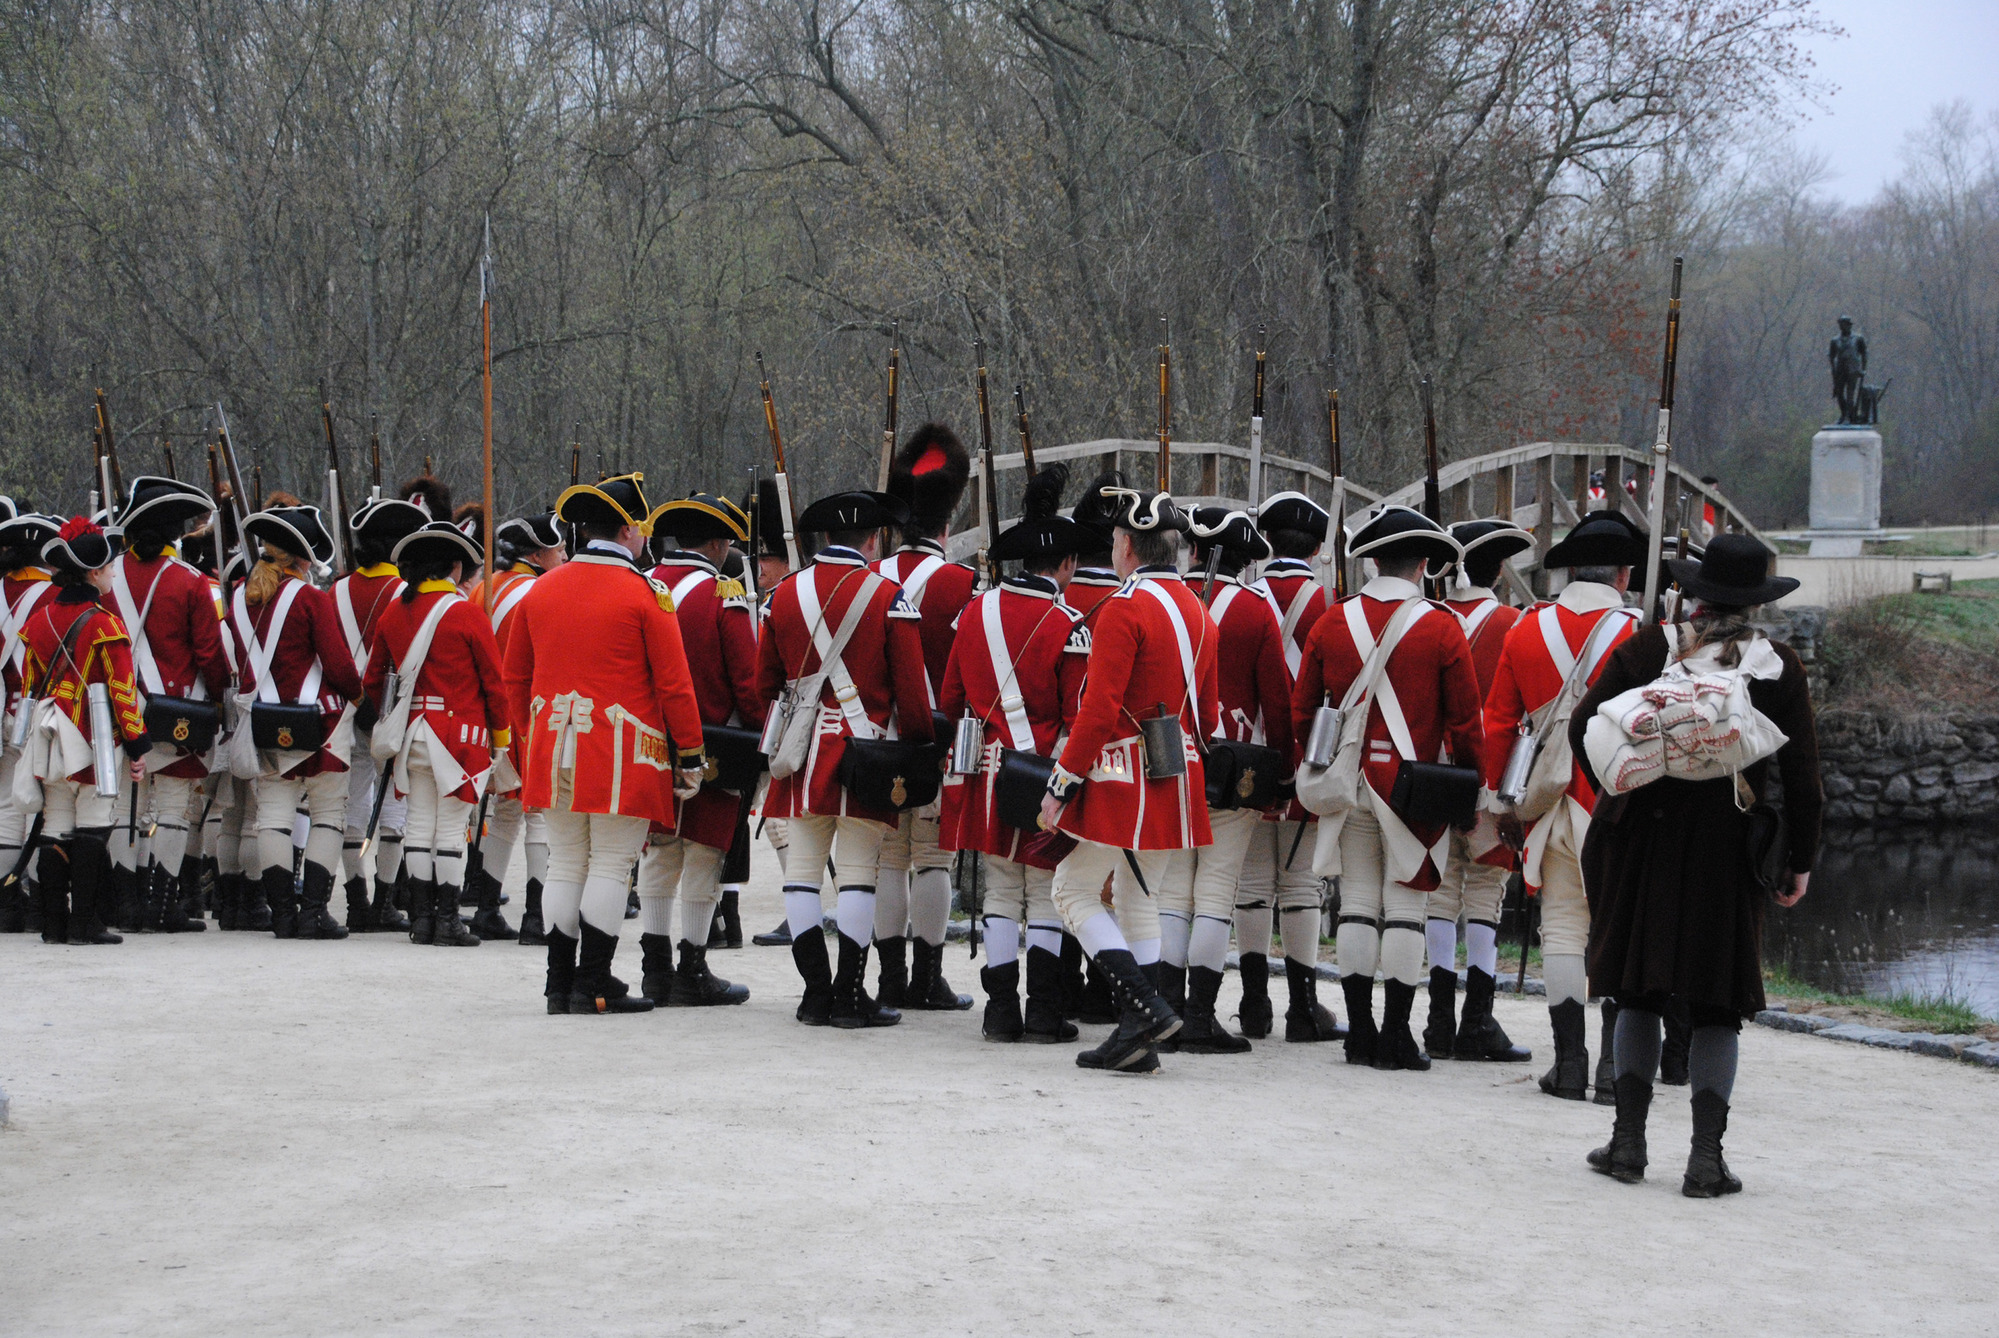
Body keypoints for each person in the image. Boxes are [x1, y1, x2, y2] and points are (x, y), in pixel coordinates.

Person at [1573, 534, 1821, 1196]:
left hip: (1642, 842)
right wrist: (1798, 860)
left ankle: (1627, 1146)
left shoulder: (1649, 648)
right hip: (1726, 846)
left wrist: (1628, 779)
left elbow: (1582, 729)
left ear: (1698, 589)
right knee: (1717, 1004)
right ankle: (1705, 1161)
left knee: (1637, 990)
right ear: (1753, 602)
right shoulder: (1777, 666)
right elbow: (1801, 780)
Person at [503, 473, 707, 1015]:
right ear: (627, 531)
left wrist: (531, 737)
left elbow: (515, 678)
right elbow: (674, 685)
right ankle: (593, 981)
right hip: (620, 748)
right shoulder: (646, 593)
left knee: (567, 861)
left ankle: (557, 985)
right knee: (613, 864)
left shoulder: (540, 589)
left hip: (551, 740)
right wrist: (689, 753)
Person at [1291, 505, 1483, 1072]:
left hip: (1350, 782)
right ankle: (1397, 1037)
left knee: (1355, 905)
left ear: (1372, 560)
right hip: (1415, 789)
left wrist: (1322, 761)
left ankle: (1360, 1034)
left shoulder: (1333, 621)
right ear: (1424, 563)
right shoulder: (1443, 625)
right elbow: (1466, 723)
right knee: (1406, 910)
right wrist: (1469, 791)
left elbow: (1305, 711)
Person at [1036, 486, 1216, 1074]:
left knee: (1071, 889)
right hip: (1178, 767)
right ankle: (1138, 1037)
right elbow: (1207, 716)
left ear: (1128, 549)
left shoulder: (1125, 608)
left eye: (1115, 541)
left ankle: (1142, 1010)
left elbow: (1100, 711)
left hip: (1123, 773)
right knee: (1143, 899)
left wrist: (1061, 784)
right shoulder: (1198, 611)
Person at [756, 489, 935, 1028]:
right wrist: (922, 741)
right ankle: (849, 995)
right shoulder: (888, 595)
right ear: (874, 539)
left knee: (804, 874)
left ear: (824, 538)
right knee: (859, 874)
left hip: (802, 751)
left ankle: (814, 994)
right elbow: (911, 692)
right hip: (866, 750)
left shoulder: (783, 595)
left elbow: (765, 682)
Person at [1481, 511, 1643, 1098]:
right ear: (1623, 575)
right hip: (1619, 803)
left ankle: (1570, 1064)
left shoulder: (1526, 630)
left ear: (1571, 570)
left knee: (1564, 931)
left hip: (1548, 804)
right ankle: (1611, 1067)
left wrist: (1503, 803)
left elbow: (1499, 722)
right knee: (1615, 933)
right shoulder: (1642, 634)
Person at [937, 464, 1088, 1043]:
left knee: (1001, 890)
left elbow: (952, 698)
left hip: (987, 771)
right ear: (1067, 565)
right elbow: (1076, 718)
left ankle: (1001, 1012)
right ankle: (1045, 1012)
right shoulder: (1070, 625)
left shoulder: (974, 613)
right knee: (1046, 891)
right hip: (1045, 773)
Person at [1165, 507, 1292, 1054]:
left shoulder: (1164, 598)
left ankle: (1165, 1010)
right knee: (1216, 891)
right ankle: (1197, 1017)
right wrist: (1282, 770)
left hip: (1169, 757)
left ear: (1194, 549)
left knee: (1173, 892)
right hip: (1232, 762)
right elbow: (1277, 700)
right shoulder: (1256, 610)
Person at [632, 492, 761, 1007]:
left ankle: (654, 968)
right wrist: (760, 739)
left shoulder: (643, 585)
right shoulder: (722, 595)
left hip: (649, 743)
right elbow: (748, 687)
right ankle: (692, 966)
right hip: (713, 744)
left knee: (660, 852)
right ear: (715, 543)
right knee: (704, 852)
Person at [362, 522, 510, 947]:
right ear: (454, 567)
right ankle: (447, 920)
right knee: (450, 829)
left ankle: (422, 919)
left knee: (418, 824)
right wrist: (500, 738)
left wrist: (395, 715)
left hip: (411, 733)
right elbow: (493, 684)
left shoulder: (395, 611)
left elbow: (374, 678)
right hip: (459, 736)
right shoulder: (464, 612)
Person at [873, 425, 978, 1011]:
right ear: (947, 522)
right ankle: (926, 978)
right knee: (933, 858)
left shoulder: (873, 579)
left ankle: (888, 978)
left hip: (881, 742)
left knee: (890, 856)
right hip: (939, 738)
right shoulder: (963, 583)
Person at [1424, 518, 1534, 1062]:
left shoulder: (1426, 620)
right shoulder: (1514, 623)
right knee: (1485, 895)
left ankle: (1439, 1020)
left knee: (1441, 894)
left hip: (1431, 781)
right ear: (1497, 569)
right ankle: (1478, 1021)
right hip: (1489, 781)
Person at [105, 477, 233, 934]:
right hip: (178, 708)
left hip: (119, 708)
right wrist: (220, 698)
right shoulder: (191, 583)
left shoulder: (107, 576)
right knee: (173, 809)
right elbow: (210, 656)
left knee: (124, 808)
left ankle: (124, 902)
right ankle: (163, 908)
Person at [231, 505, 366, 941]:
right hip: (318, 722)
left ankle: (283, 914)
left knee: (271, 815)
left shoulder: (237, 595)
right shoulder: (310, 598)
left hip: (263, 719)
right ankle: (313, 913)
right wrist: (359, 694)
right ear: (303, 559)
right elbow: (339, 664)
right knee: (328, 813)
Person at [18, 518, 149, 944]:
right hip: (93, 739)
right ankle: (85, 922)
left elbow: (28, 685)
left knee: (55, 825)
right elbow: (123, 692)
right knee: (94, 824)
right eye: (110, 568)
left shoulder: (38, 621)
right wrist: (137, 744)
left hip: (50, 738)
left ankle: (54, 922)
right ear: (93, 573)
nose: (114, 573)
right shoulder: (105, 625)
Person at [1242, 490, 1342, 1042]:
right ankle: (1303, 1008)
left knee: (1252, 883)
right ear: (1318, 545)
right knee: (1301, 884)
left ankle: (1254, 1003)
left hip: (1249, 757)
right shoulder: (1330, 603)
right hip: (1308, 752)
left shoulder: (1244, 596)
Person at [333, 497, 427, 934]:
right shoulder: (406, 596)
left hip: (342, 712)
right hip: (389, 712)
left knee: (351, 808)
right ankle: (385, 903)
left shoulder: (333, 589)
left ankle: (356, 902)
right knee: (393, 810)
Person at [473, 512, 566, 946]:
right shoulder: (543, 593)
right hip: (525, 712)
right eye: (558, 550)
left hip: (488, 715)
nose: (563, 557)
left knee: (505, 813)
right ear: (536, 555)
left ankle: (487, 908)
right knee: (539, 815)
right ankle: (536, 915)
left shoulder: (482, 589)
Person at [0, 510, 61, 935]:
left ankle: (6, 900)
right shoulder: (49, 595)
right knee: (35, 805)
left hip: (2, 706)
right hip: (28, 708)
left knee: (5, 805)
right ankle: (30, 897)